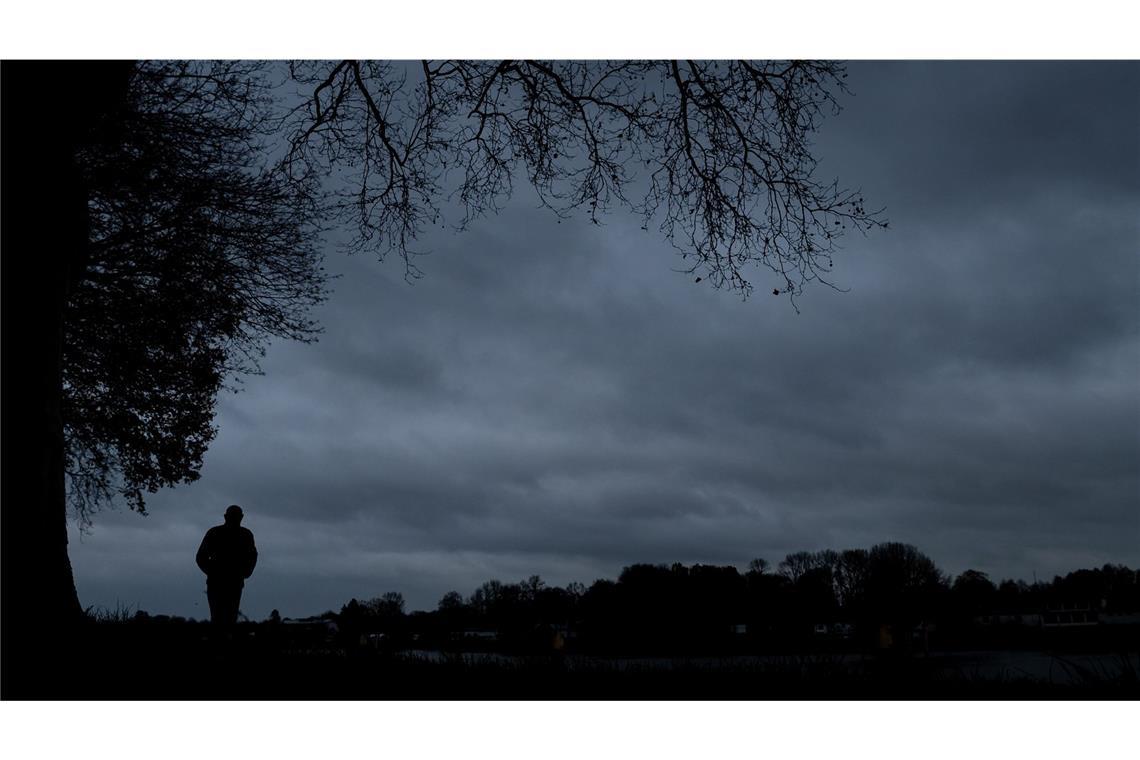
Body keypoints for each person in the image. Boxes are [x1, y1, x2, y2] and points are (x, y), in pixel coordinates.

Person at [196, 505, 258, 627]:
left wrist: (246, 572)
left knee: (227, 618)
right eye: (233, 516)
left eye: (237, 517)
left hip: (231, 582)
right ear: (226, 517)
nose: (235, 519)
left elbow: (252, 556)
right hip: (221, 582)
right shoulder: (216, 533)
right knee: (221, 618)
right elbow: (200, 557)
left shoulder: (245, 535)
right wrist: (212, 572)